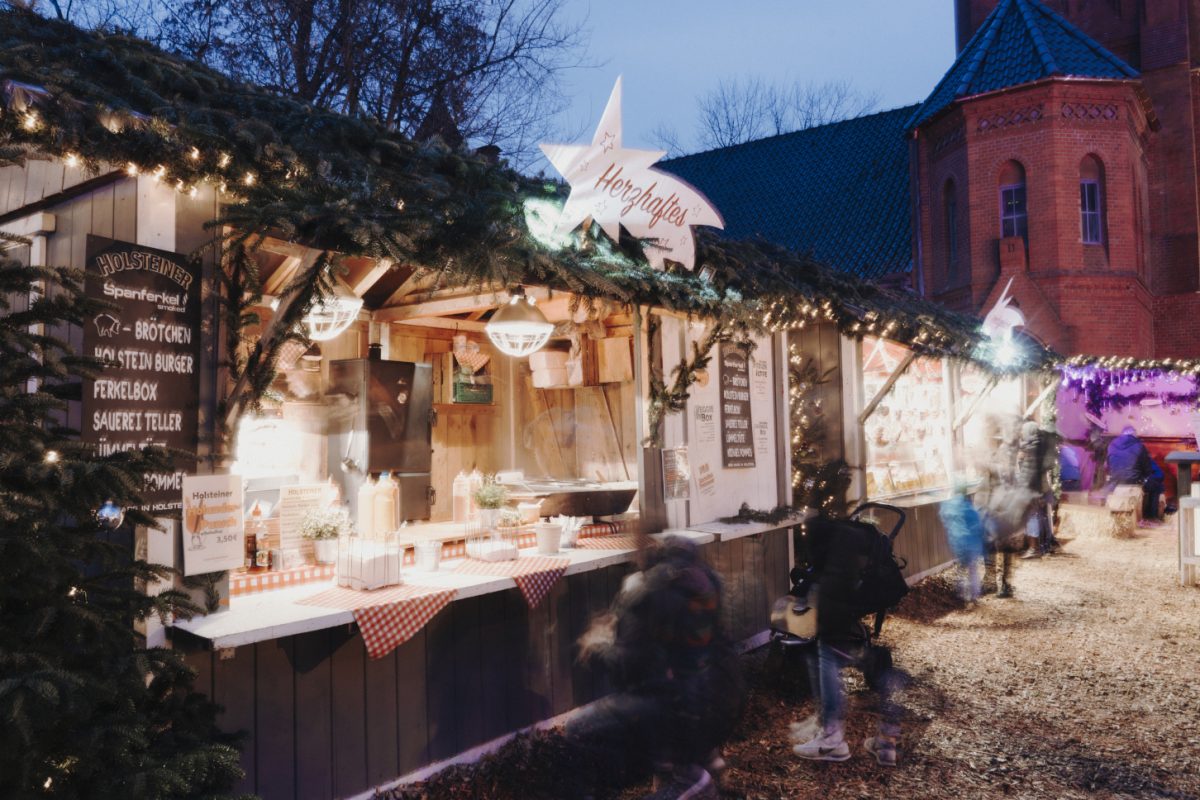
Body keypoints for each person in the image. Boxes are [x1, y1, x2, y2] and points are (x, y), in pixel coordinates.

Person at [568, 536, 744, 800]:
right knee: (655, 698)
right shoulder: (707, 580)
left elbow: (629, 669)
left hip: (681, 708)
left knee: (578, 728)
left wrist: (595, 648)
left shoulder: (648, 591)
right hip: (723, 699)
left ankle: (690, 780)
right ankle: (699, 762)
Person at [789, 516, 905, 766]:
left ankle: (832, 739)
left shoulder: (830, 551)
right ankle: (887, 740)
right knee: (867, 659)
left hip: (839, 612)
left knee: (826, 654)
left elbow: (827, 587)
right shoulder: (850, 539)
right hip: (854, 606)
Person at [939, 484, 985, 603]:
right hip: (970, 543)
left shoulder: (947, 506)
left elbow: (943, 517)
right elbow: (977, 526)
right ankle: (974, 595)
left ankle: (961, 594)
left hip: (956, 542)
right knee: (972, 568)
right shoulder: (968, 508)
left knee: (960, 568)